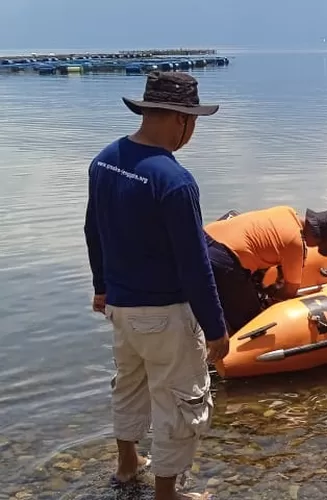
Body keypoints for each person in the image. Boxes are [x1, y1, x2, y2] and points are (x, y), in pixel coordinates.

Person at [84, 71, 230, 500]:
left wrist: (100, 286)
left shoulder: (105, 160)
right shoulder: (174, 181)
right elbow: (194, 265)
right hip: (164, 313)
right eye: (194, 122)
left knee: (129, 383)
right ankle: (167, 492)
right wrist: (216, 328)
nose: (193, 132)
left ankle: (128, 463)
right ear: (180, 120)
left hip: (120, 306)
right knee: (182, 400)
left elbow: (93, 229)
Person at [203, 206, 327, 335]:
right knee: (252, 324)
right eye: (319, 245)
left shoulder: (286, 211)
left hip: (205, 237)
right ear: (317, 237)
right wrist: (271, 295)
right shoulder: (295, 244)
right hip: (224, 259)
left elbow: (266, 241)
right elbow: (289, 292)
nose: (314, 247)